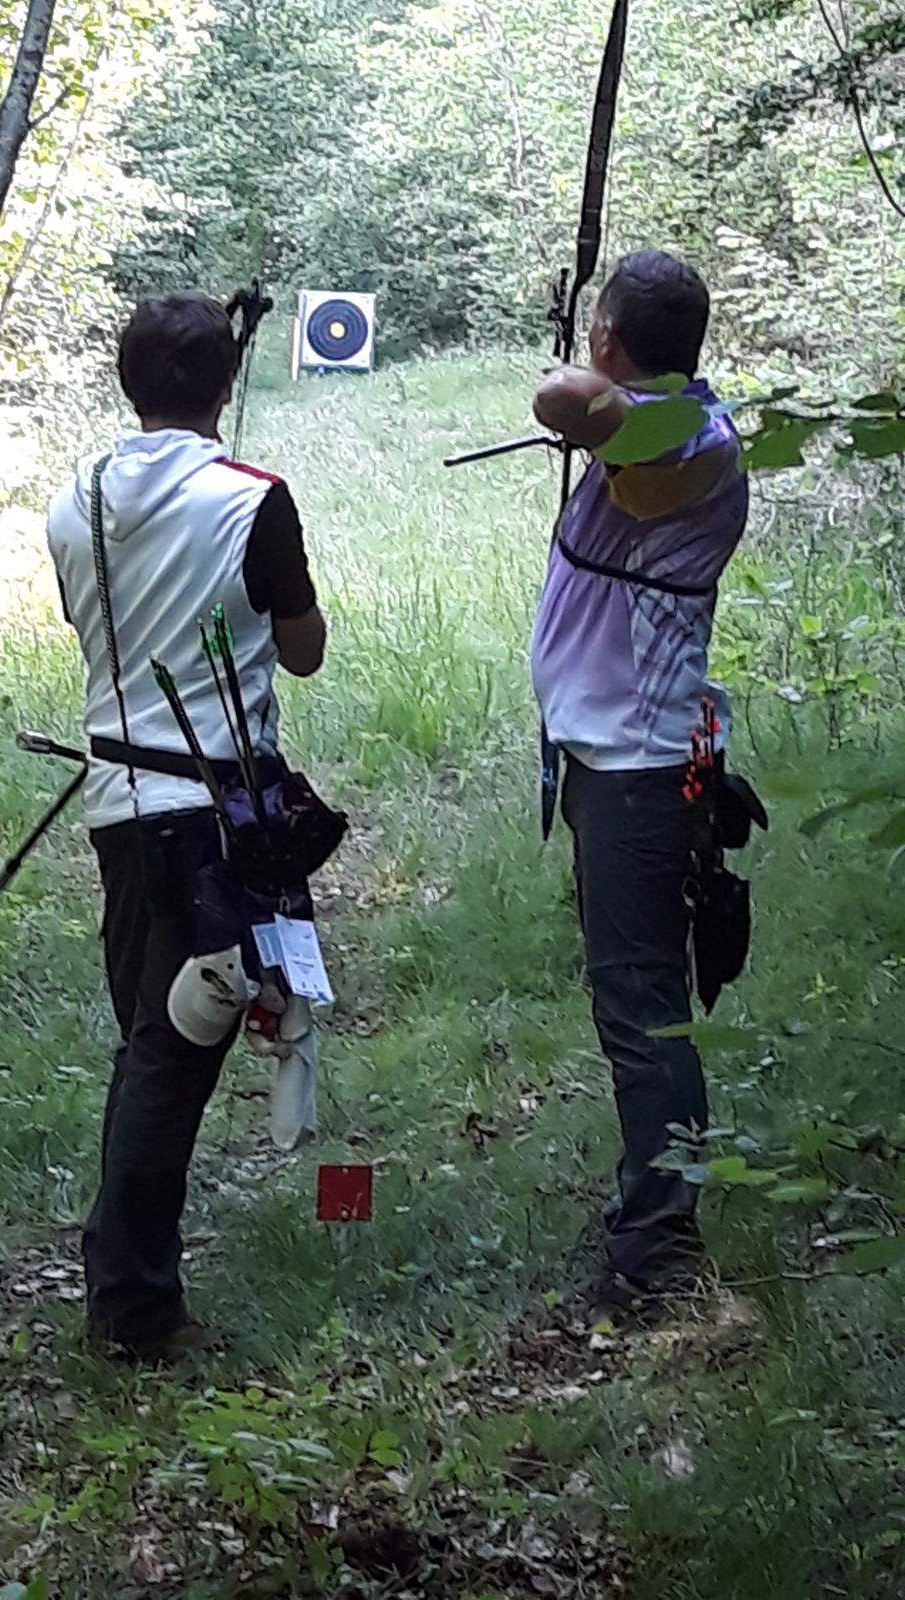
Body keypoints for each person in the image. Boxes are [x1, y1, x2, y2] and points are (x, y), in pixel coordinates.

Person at [47, 291, 327, 1360]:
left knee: (155, 1043)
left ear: (130, 382)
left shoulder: (75, 496)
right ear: (223, 385)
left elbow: (91, 627)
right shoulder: (252, 497)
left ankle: (124, 1276)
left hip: (122, 806)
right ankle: (134, 1310)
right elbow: (300, 649)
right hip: (212, 814)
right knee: (172, 1054)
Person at [530, 249, 750, 1319]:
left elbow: (560, 397)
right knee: (635, 993)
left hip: (641, 763)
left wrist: (584, 381)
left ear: (612, 339)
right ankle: (650, 1203)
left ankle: (659, 1253)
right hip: (619, 754)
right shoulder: (663, 429)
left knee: (642, 1006)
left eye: (597, 325)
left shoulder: (691, 433)